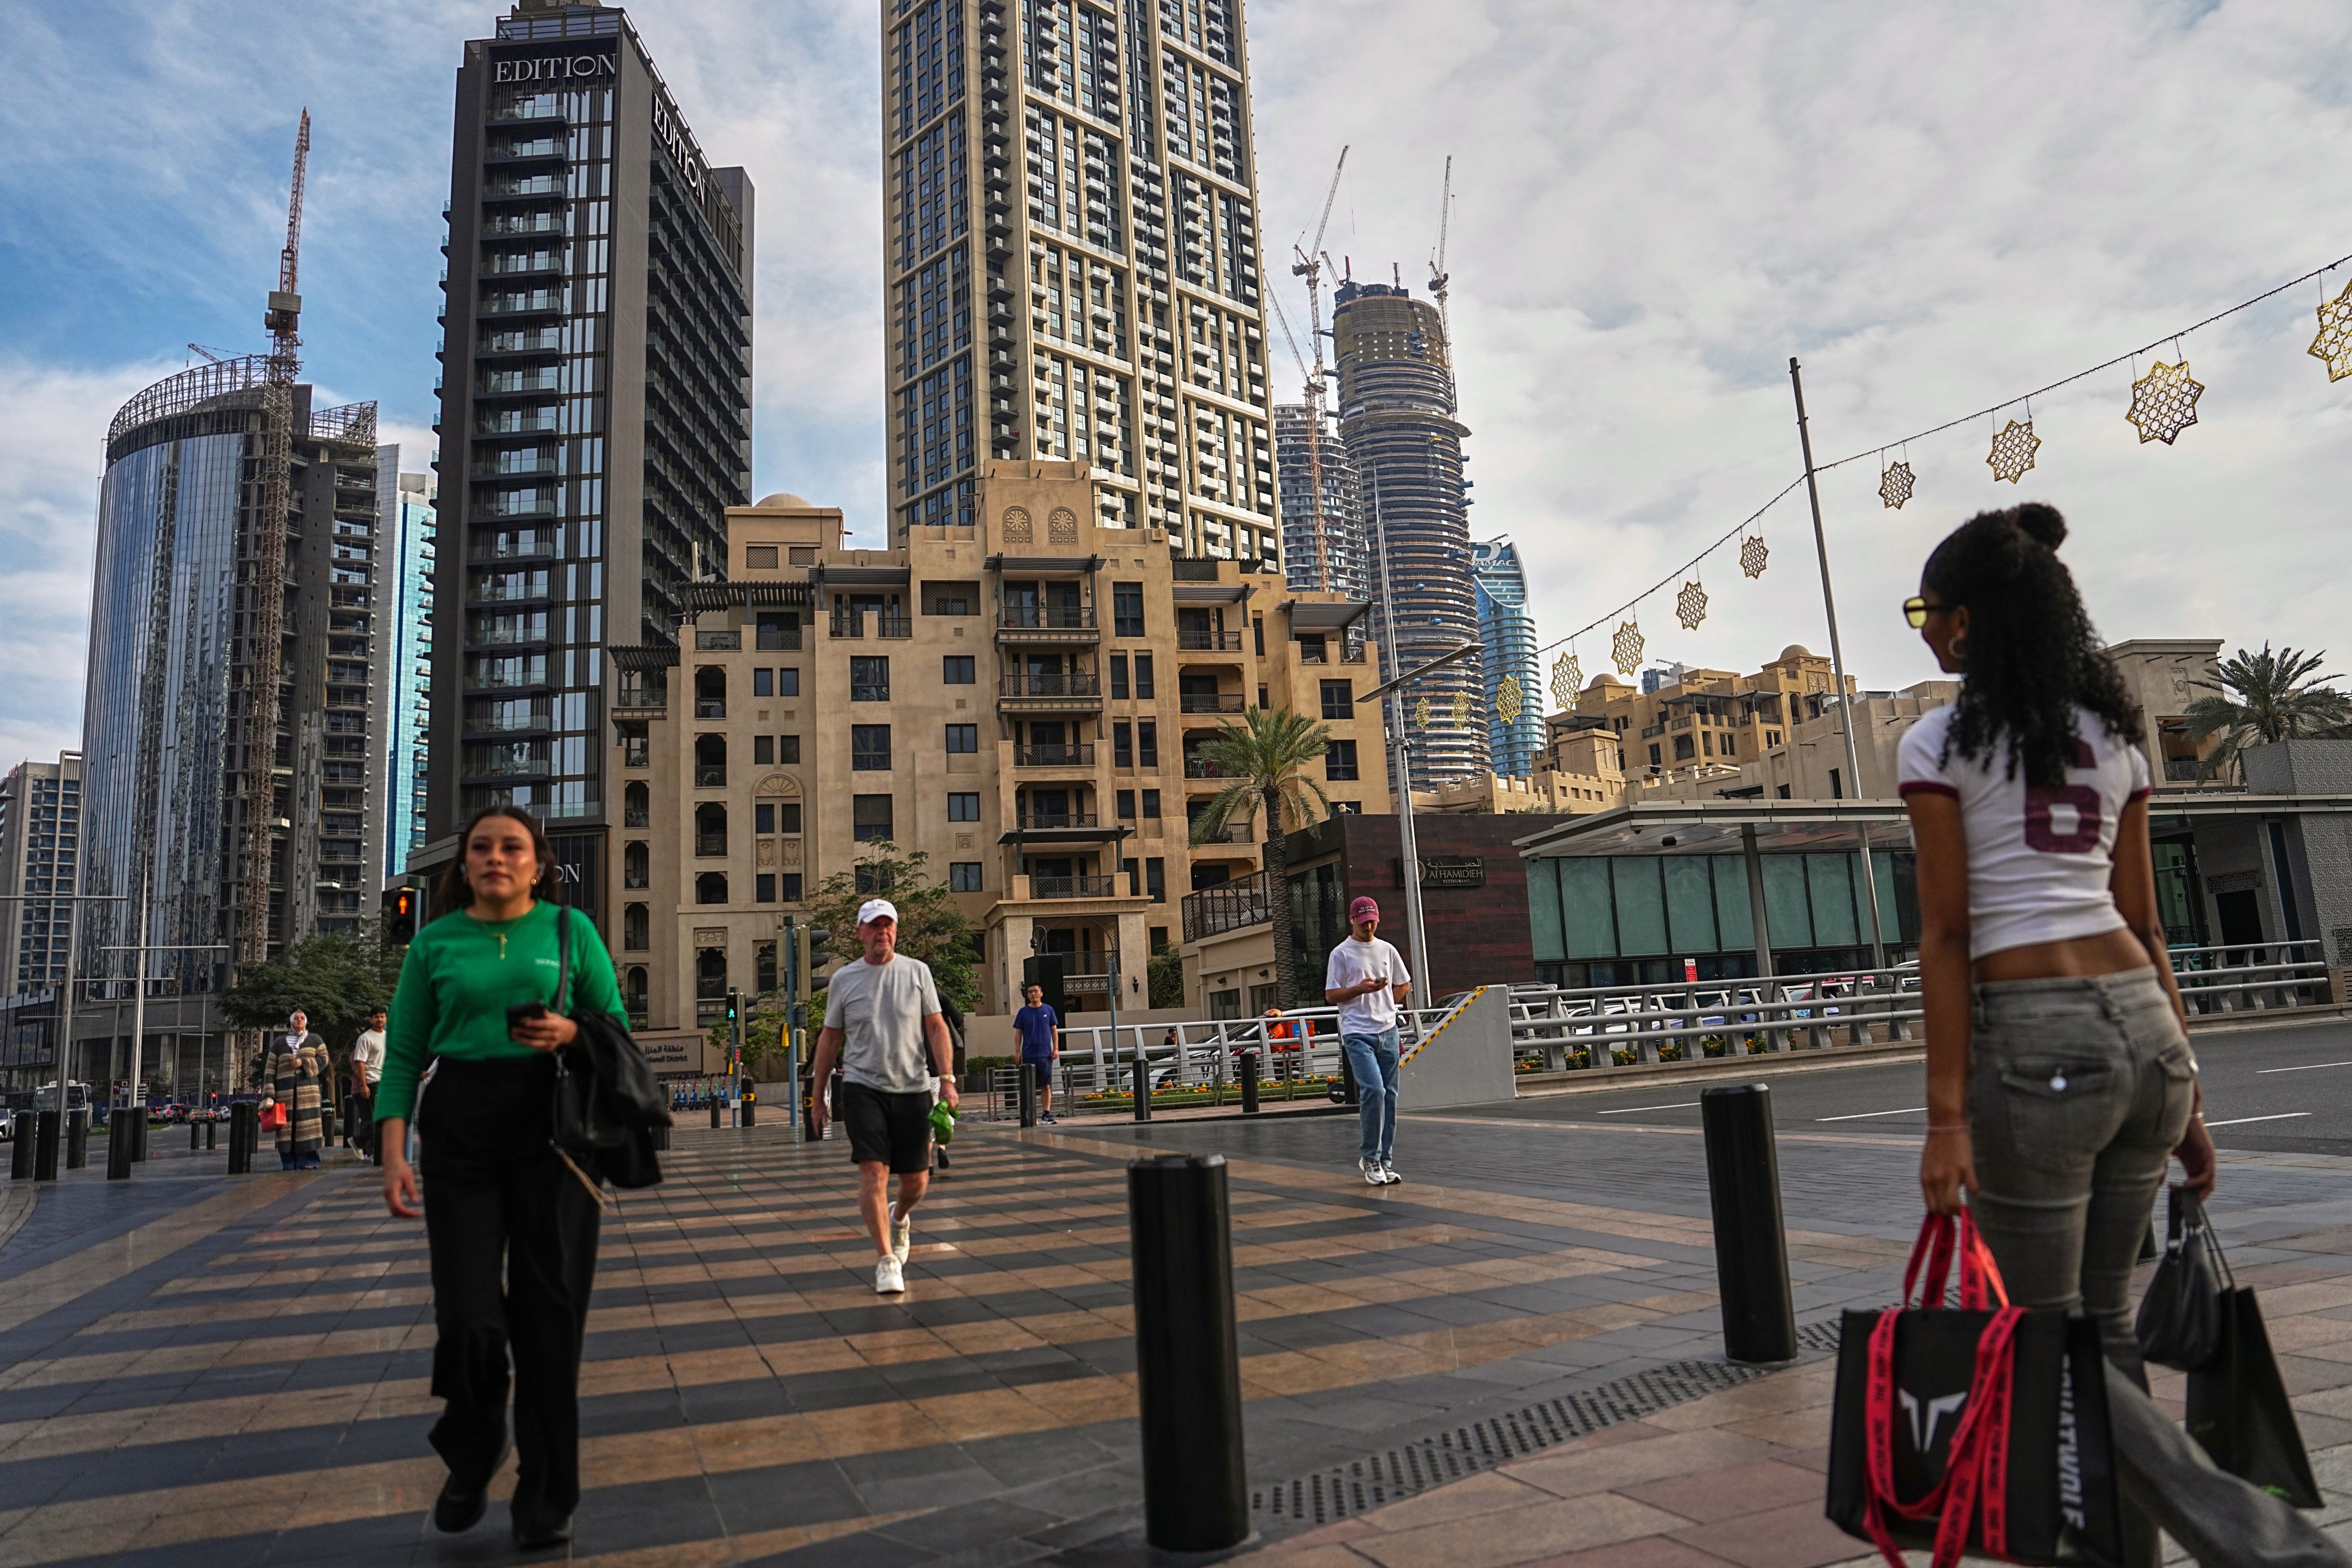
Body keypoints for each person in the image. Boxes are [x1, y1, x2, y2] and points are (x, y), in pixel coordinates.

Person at [1902, 503, 2346, 1568]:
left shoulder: (1939, 742)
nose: (1920, 630)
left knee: (2036, 1341)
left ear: (1966, 626)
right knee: (2097, 1332)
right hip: (2144, 1027)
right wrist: (2186, 1092)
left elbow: (1950, 933)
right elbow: (2147, 923)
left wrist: (1945, 1118)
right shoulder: (2119, 737)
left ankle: (2271, 1544)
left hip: (2036, 1040)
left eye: (1925, 611)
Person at [375, 806, 627, 1551]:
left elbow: (613, 1023)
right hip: (460, 1129)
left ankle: (547, 1494)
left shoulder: (568, 931)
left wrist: (572, 1031)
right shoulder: (433, 942)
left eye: (510, 846)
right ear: (465, 864)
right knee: (469, 1315)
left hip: (554, 1129)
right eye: (480, 846)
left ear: (538, 863)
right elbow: (401, 1055)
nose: (494, 857)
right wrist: (394, 1150)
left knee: (550, 1321)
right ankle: (475, 1443)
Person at [809, 898, 960, 1295]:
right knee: (873, 1171)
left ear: (895, 930)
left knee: (916, 1181)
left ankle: (900, 1215)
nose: (882, 933)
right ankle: (886, 1260)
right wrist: (818, 1094)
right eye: (874, 926)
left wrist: (947, 1079)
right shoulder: (844, 979)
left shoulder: (917, 972)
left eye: (888, 926)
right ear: (860, 932)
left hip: (912, 1088)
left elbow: (936, 1027)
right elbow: (830, 1039)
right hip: (862, 1087)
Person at [1323, 897, 1410, 1186]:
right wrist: (1360, 990)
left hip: (1388, 1031)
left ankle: (1385, 1161)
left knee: (1391, 1095)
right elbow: (1332, 995)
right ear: (1352, 921)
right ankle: (1370, 1157)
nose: (1369, 927)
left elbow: (1404, 983)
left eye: (1373, 921)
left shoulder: (1387, 949)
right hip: (1357, 1033)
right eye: (1363, 923)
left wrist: (1386, 1002)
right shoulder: (1341, 954)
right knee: (1373, 1089)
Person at [271, 1012, 328, 1171]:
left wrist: (303, 1062)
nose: (299, 1021)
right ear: (290, 1022)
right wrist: (269, 1094)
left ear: (306, 1022)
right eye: (296, 1018)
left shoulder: (315, 1040)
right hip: (285, 1093)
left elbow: (324, 1060)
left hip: (308, 1092)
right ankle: (288, 1162)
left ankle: (310, 1160)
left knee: (307, 1126)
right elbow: (270, 1069)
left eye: (302, 1018)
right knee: (286, 1128)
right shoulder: (279, 1043)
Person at [1012, 982, 1060, 1123]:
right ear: (1028, 996)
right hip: (1029, 1055)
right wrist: (1018, 1051)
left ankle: (1046, 1114)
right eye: (1030, 992)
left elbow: (1054, 1030)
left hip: (1045, 1055)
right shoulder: (1023, 1012)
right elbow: (1019, 1032)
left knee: (1046, 1085)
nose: (1033, 994)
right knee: (1029, 1087)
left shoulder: (1049, 1010)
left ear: (1041, 993)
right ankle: (1029, 1114)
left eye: (1035, 991)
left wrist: (1056, 1048)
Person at [350, 1006, 387, 1159]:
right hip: (371, 1082)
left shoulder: (388, 1036)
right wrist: (364, 1085)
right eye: (377, 1017)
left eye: (383, 1017)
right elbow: (360, 1063)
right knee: (372, 1121)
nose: (380, 1020)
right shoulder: (366, 1038)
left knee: (382, 1120)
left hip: (384, 1081)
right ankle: (359, 1143)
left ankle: (376, 1152)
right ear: (371, 1019)